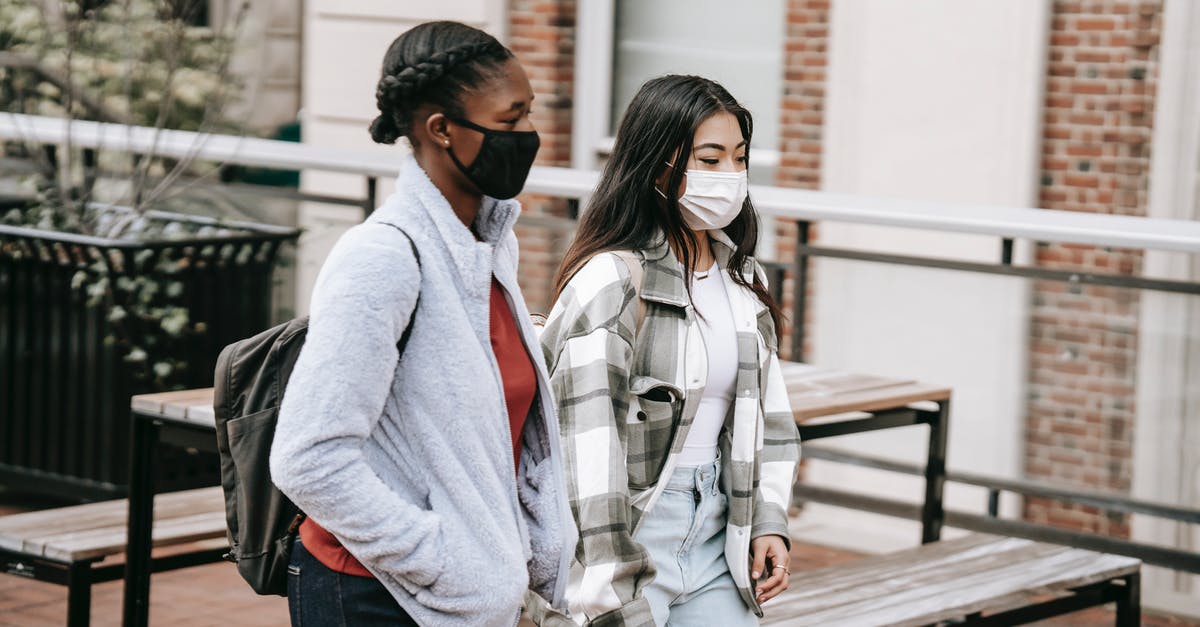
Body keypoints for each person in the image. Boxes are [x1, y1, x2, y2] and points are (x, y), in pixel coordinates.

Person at [269, 20, 576, 627]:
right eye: (510, 121)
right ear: (442, 130)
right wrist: (445, 560)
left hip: (454, 599)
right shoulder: (381, 258)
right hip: (369, 596)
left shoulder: (487, 246)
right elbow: (308, 457)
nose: (529, 137)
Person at [539, 75, 801, 626]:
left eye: (739, 158)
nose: (730, 176)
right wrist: (608, 586)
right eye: (709, 160)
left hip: (718, 530)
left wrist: (768, 518)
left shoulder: (742, 277)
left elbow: (769, 415)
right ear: (658, 166)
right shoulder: (612, 281)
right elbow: (586, 454)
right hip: (633, 530)